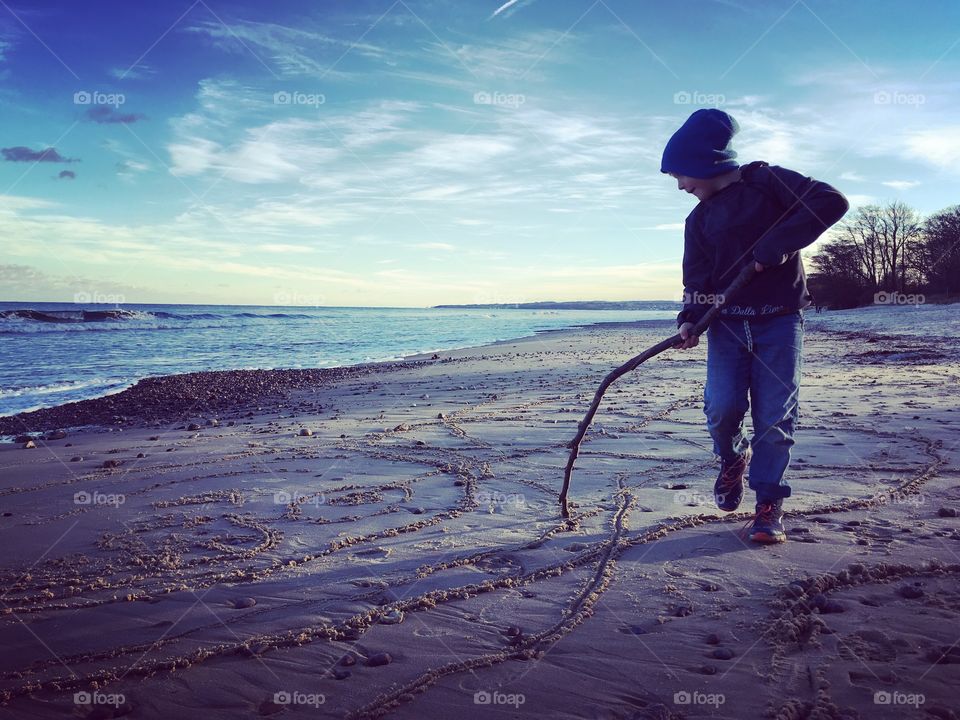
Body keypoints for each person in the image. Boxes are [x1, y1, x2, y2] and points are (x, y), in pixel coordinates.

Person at [661, 108, 848, 543]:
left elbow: (831, 202)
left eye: (682, 175)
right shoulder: (699, 220)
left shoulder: (769, 181)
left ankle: (769, 504)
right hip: (726, 326)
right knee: (722, 408)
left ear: (707, 164)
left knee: (774, 417)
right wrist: (691, 320)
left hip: (780, 322)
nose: (682, 186)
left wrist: (778, 245)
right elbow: (698, 281)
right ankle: (731, 458)